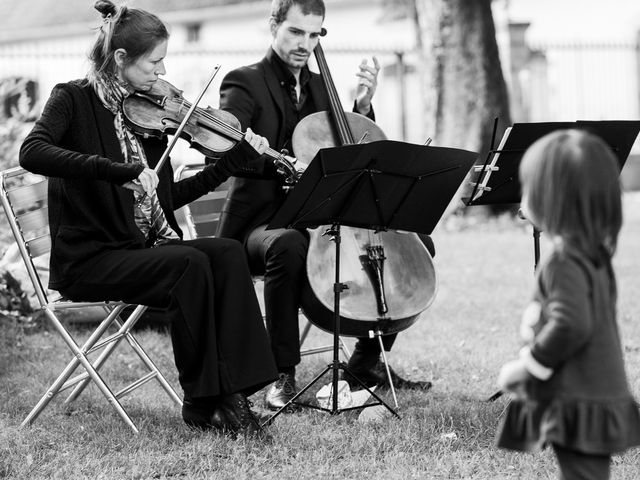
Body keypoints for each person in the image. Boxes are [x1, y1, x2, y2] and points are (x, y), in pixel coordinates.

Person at [19, 0, 278, 438]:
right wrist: (116, 171)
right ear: (120, 60)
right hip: (90, 260)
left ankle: (237, 393)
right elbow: (33, 151)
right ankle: (202, 402)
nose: (162, 73)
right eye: (154, 62)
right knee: (190, 264)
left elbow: (168, 194)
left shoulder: (145, 116)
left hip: (139, 249)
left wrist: (231, 162)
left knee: (227, 252)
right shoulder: (72, 98)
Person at [216, 0, 434, 412]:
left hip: (322, 217)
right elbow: (230, 144)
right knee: (289, 245)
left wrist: (362, 108)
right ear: (274, 26)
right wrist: (281, 163)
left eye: (314, 35)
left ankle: (365, 363)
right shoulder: (244, 82)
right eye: (296, 32)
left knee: (414, 243)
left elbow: (345, 152)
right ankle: (282, 375)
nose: (305, 43)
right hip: (263, 223)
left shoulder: (321, 88)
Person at [495, 129, 640, 479]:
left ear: (554, 199)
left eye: (529, 187)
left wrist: (529, 367)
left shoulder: (563, 259)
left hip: (578, 396)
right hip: (593, 391)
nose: (522, 197)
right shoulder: (593, 255)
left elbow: (572, 323)